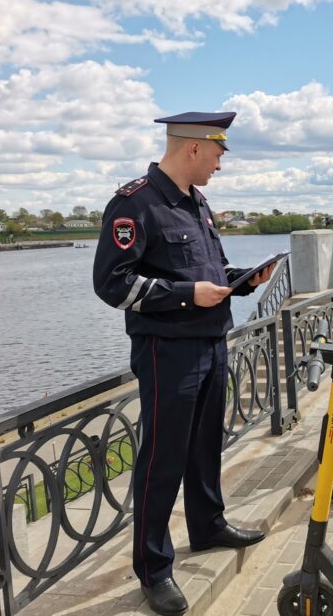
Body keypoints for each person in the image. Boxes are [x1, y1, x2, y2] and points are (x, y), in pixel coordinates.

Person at [93, 112, 274, 616]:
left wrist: (241, 278)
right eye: (217, 154)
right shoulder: (135, 204)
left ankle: (208, 525)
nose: (220, 165)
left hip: (211, 342)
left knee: (203, 446)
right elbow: (112, 284)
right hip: (167, 350)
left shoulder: (197, 202)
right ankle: (153, 569)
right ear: (193, 148)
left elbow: (204, 271)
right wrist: (186, 294)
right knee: (162, 457)